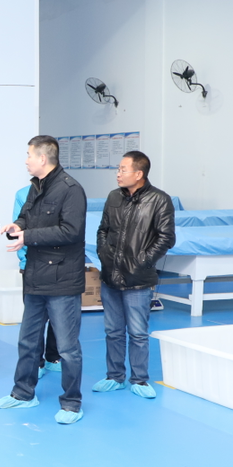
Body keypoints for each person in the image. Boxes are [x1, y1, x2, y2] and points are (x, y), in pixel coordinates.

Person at [0, 135, 87, 424]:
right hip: (35, 277)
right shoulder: (36, 187)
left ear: (42, 158)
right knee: (28, 341)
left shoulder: (71, 190)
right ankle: (23, 393)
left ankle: (71, 403)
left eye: (28, 155)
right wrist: (17, 226)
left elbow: (71, 231)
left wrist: (28, 236)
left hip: (62, 281)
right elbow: (26, 216)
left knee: (67, 348)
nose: (26, 160)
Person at [93, 151, 175, 399]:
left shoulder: (159, 200)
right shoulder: (113, 197)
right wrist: (104, 254)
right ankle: (114, 377)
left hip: (138, 280)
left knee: (138, 333)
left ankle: (139, 379)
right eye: (118, 169)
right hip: (110, 276)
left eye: (123, 169)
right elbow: (103, 230)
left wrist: (141, 261)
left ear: (139, 174)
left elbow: (166, 238)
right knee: (113, 331)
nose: (118, 174)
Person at [13, 182, 61, 377]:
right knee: (35, 319)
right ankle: (37, 362)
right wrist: (26, 261)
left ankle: (53, 357)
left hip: (58, 265)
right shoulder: (23, 194)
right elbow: (18, 229)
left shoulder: (66, 192)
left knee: (58, 315)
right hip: (32, 265)